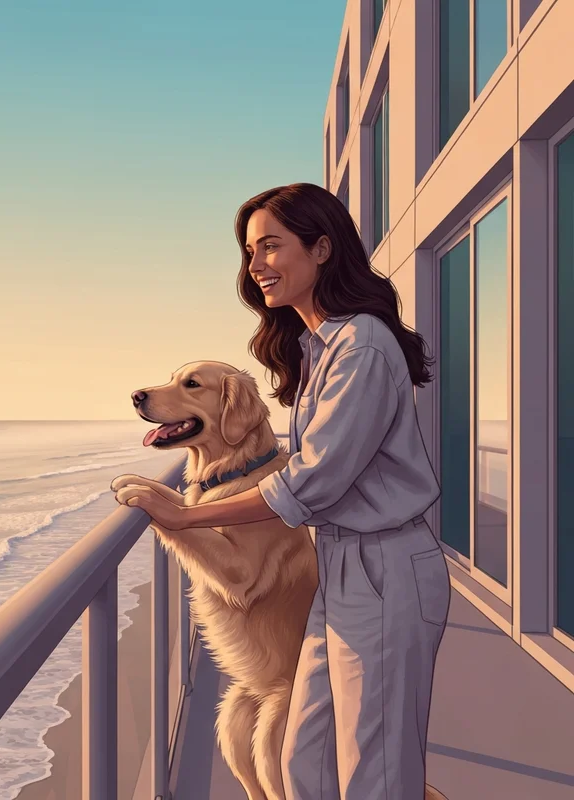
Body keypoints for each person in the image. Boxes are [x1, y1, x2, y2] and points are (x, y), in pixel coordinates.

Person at [114, 182, 450, 800]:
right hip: (340, 565)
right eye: (250, 252)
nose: (256, 264)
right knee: (304, 763)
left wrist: (181, 517)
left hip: (385, 567)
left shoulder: (362, 347)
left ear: (321, 248)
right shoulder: (319, 348)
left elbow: (310, 482)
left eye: (271, 246)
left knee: (374, 773)